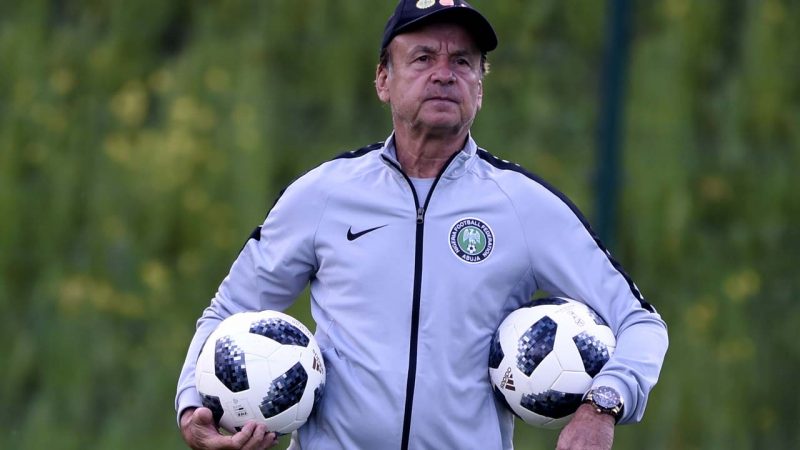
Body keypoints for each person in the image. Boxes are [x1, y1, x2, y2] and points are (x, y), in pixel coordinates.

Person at [175, 1, 669, 449]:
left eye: (463, 62)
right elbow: (229, 310)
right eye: (423, 58)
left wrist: (603, 405)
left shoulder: (524, 205)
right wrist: (193, 405)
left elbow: (639, 322)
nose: (444, 74)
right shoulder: (323, 195)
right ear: (383, 80)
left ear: (480, 87)